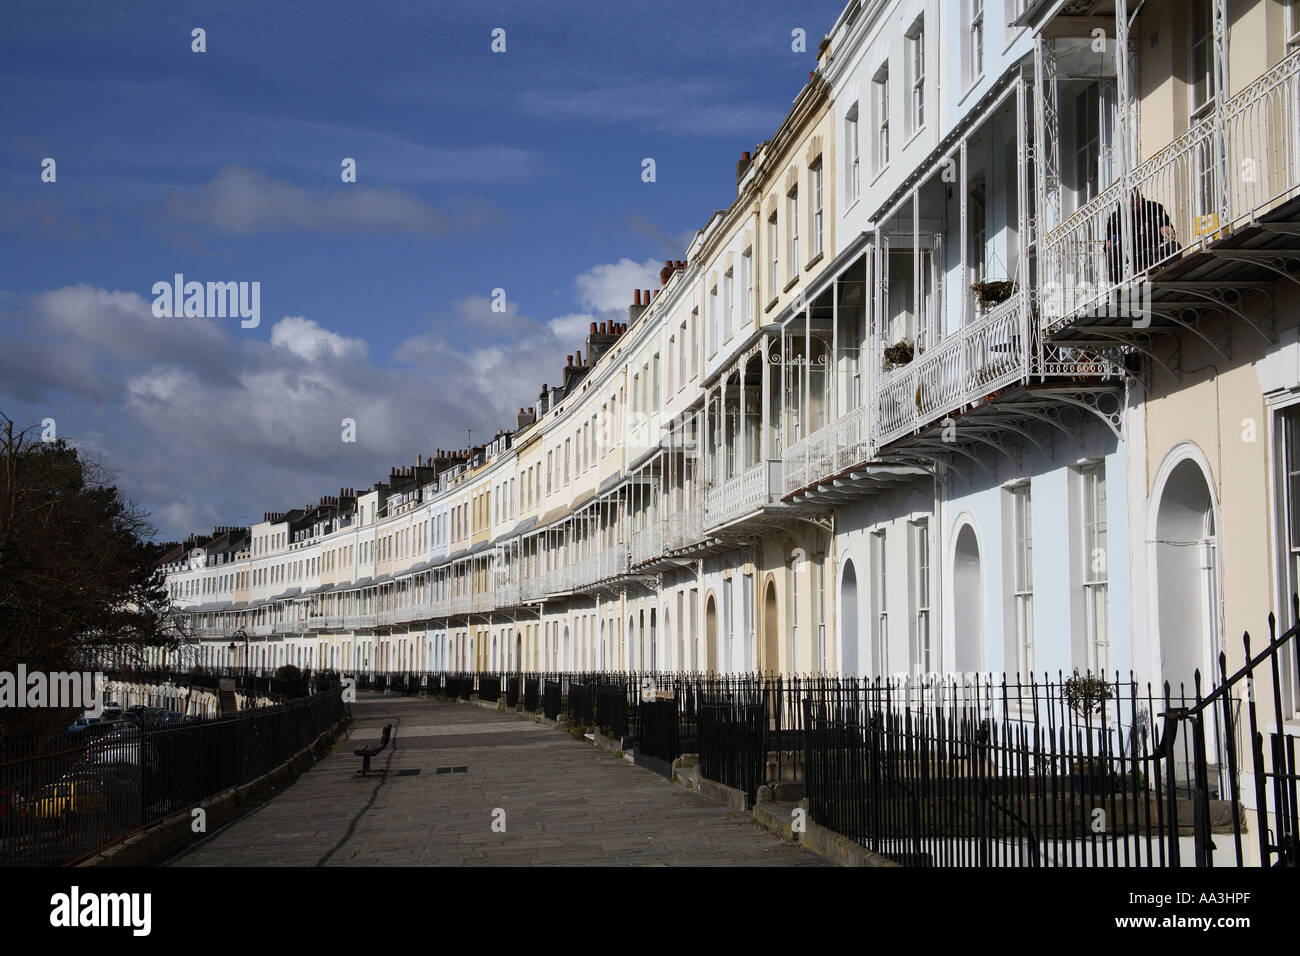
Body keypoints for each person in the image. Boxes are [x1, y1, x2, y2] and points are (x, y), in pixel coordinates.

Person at [1104, 188, 1177, 284]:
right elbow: (1107, 245)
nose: (1135, 208)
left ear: (1142, 198)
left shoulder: (1155, 208)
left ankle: (1169, 280)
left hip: (1152, 252)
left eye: (1138, 204)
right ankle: (1113, 291)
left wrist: (1166, 230)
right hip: (1131, 256)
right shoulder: (1116, 217)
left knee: (1175, 247)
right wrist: (1111, 243)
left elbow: (1170, 231)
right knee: (1112, 253)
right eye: (1132, 206)